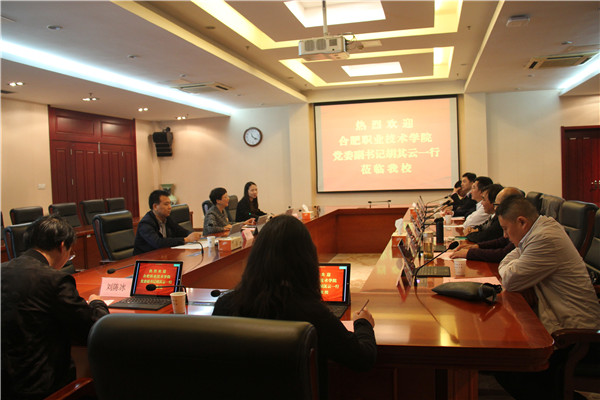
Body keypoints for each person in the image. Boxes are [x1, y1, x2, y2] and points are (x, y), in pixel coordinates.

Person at [212, 215, 377, 399]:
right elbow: (363, 359)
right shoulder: (311, 314)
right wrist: (363, 323)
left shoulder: (225, 305)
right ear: (306, 260)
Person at [493, 196, 600, 400]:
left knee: (506, 364)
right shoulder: (540, 230)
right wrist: (513, 263)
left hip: (576, 335)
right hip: (559, 321)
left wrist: (511, 266)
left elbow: (510, 279)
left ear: (522, 222)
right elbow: (510, 260)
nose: (505, 236)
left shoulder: (545, 238)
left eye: (506, 229)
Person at [1, 215, 109, 399]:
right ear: (62, 246)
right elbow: (93, 329)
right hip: (43, 388)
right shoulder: (54, 279)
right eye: (70, 253)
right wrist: (97, 303)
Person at [451, 187, 523, 262]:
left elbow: (503, 254)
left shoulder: (512, 223)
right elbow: (502, 241)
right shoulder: (502, 219)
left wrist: (470, 253)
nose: (495, 208)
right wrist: (477, 246)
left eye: (496, 204)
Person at [134, 190, 202, 255]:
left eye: (170, 204)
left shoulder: (167, 218)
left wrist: (193, 234)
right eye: (166, 204)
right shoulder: (146, 223)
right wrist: (186, 239)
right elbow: (158, 243)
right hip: (144, 259)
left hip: (162, 255)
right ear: (155, 207)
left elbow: (180, 231)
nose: (170, 207)